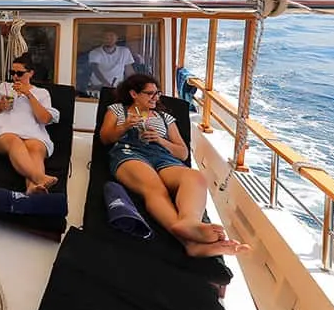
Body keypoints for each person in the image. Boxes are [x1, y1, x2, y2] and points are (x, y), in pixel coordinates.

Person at [98, 74, 248, 257]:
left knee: (195, 177)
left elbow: (183, 153)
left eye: (157, 93)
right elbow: (105, 138)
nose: (155, 98)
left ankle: (189, 223)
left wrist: (160, 140)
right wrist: (124, 126)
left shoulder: (165, 118)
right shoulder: (118, 110)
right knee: (154, 188)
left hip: (162, 156)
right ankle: (190, 243)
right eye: (150, 93)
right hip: (129, 152)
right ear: (133, 94)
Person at [0, 54, 60, 195]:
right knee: (15, 141)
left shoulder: (42, 93)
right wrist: (0, 106)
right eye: (12, 73)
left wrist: (28, 94)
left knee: (36, 148)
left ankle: (32, 187)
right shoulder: (4, 87)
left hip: (33, 131)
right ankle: (40, 178)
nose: (15, 77)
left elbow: (44, 119)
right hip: (4, 131)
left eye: (19, 73)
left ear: (31, 73)